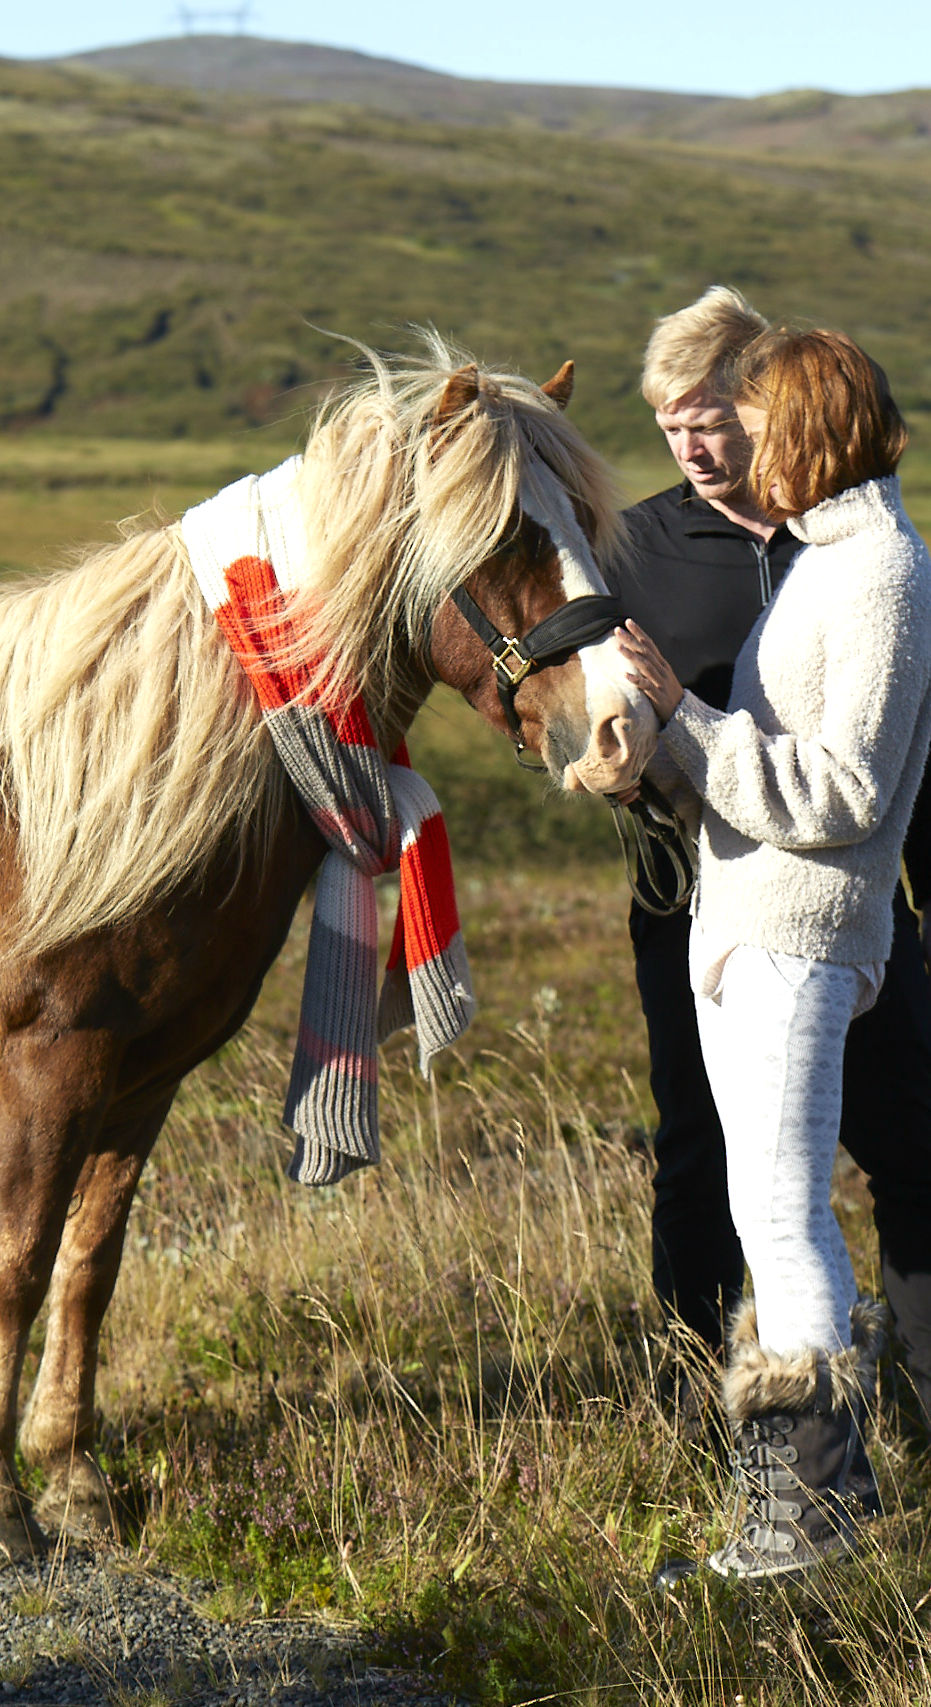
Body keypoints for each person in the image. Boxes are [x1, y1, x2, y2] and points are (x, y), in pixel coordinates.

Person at [618, 325, 931, 1578]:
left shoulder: (881, 574)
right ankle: (792, 1515)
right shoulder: (827, 563)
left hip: (804, 935)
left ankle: (810, 1526)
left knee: (788, 1218)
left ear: (808, 427)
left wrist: (686, 717)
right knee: (761, 1209)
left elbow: (844, 793)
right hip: (751, 932)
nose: (732, 448)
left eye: (753, 424)